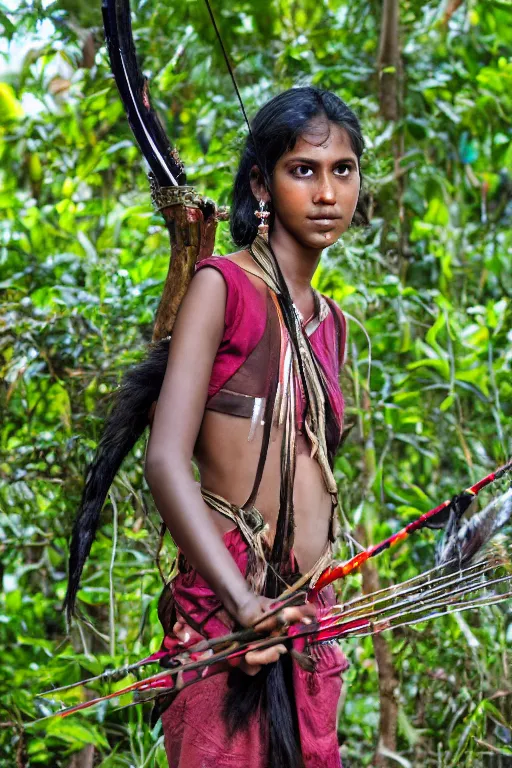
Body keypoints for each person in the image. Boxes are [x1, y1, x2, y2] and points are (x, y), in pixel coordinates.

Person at [65, 86, 368, 768]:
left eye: (342, 170)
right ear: (261, 182)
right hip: (226, 615)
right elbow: (166, 460)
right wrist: (241, 601)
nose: (326, 192)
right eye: (303, 170)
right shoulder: (220, 288)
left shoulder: (333, 323)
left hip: (306, 619)